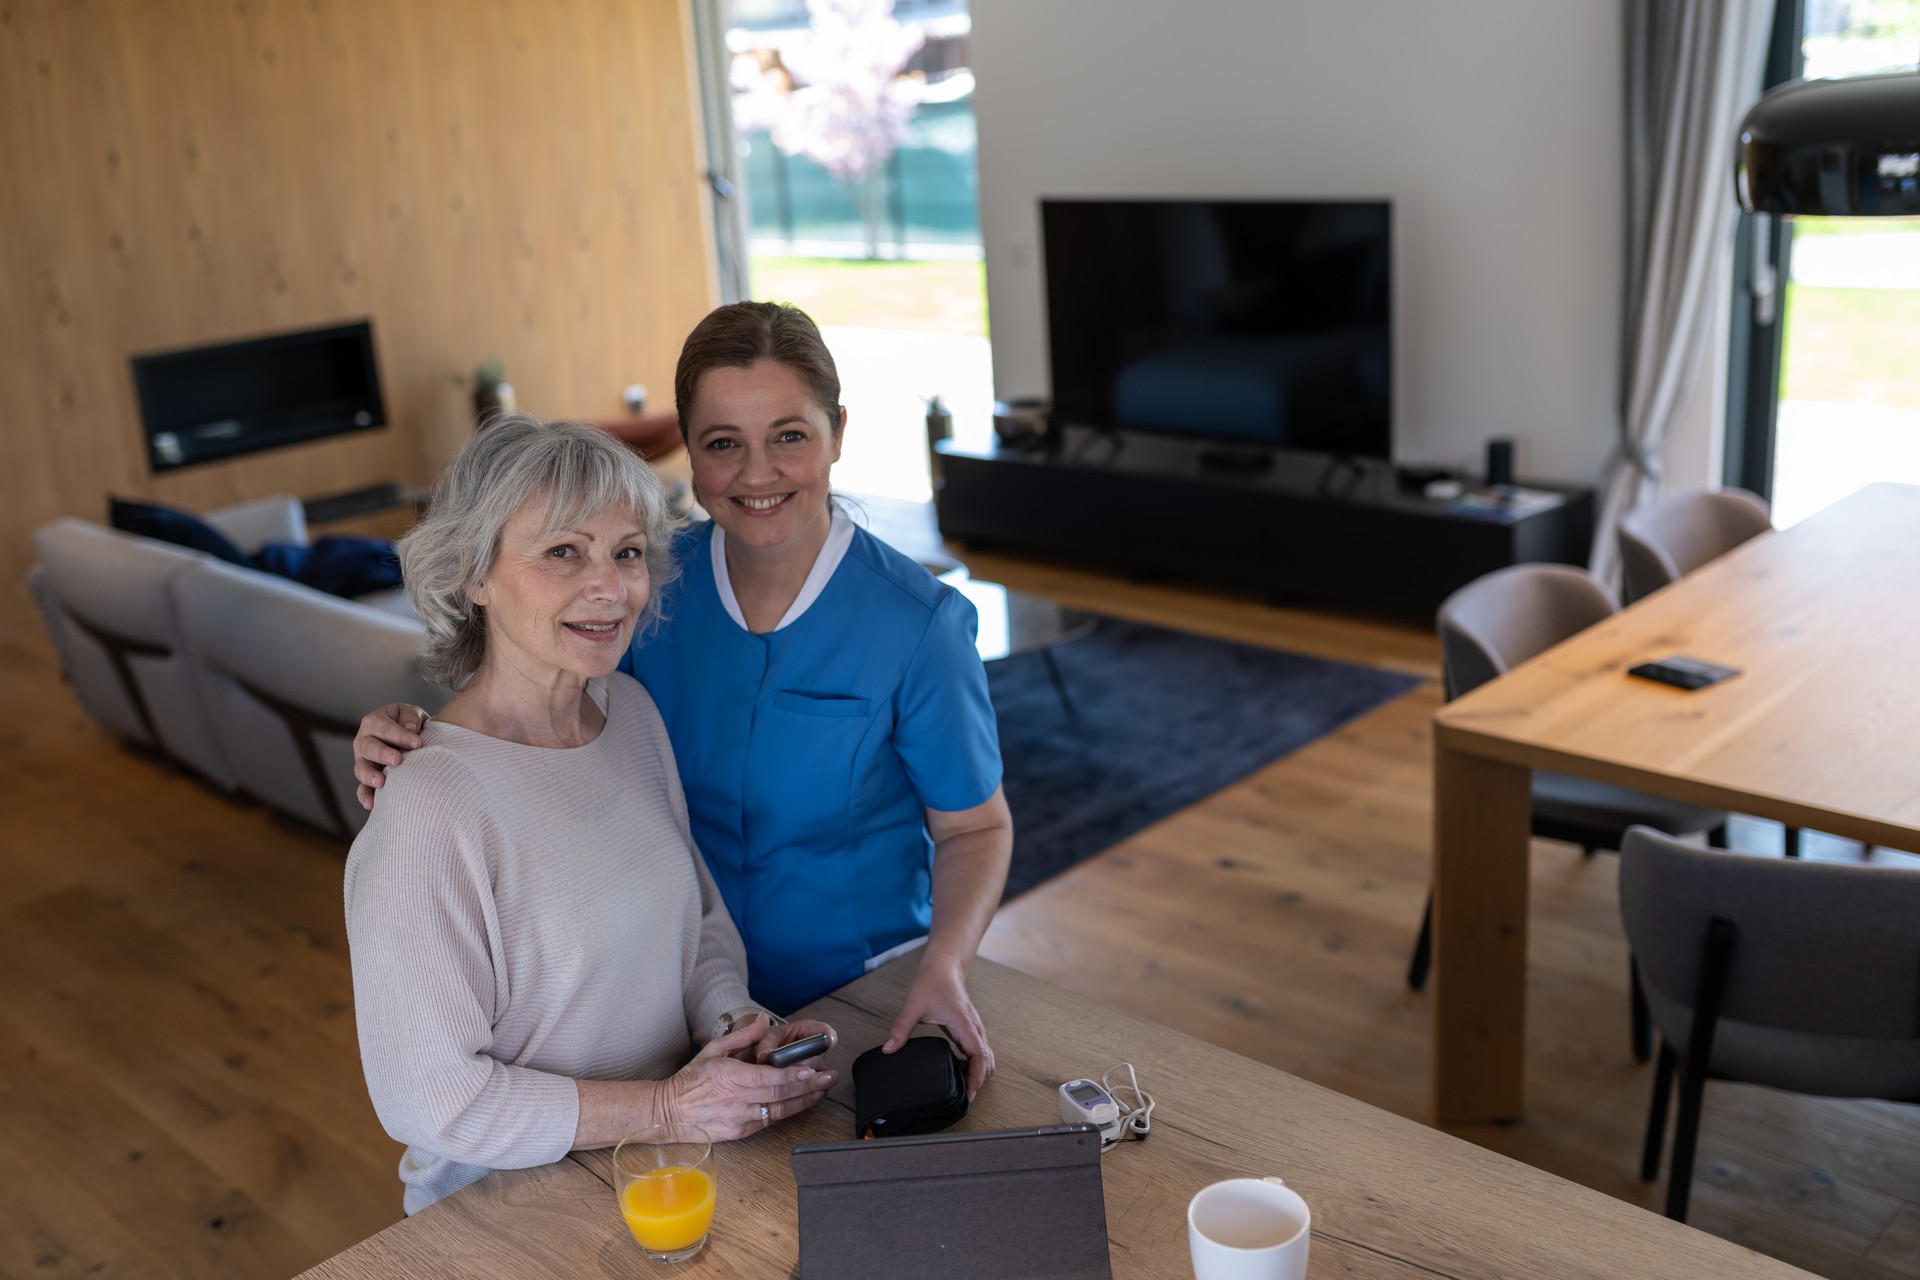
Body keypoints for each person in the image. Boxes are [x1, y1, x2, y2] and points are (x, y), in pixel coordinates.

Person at [355, 302, 1011, 1096]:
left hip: (855, 999)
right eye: (722, 443)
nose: (758, 473)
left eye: (790, 436)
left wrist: (945, 965)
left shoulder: (919, 624)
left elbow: (975, 825)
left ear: (837, 432)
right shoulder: (645, 582)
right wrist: (423, 741)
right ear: (690, 455)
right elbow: (536, 691)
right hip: (666, 1009)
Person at [345, 414, 835, 1217]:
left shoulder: (631, 714)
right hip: (506, 1210)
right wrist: (669, 1106)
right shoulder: (429, 804)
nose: (611, 588)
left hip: (665, 1166)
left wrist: (737, 1026)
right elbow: (429, 1100)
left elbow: (699, 924)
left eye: (628, 552)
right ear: (475, 574)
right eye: (564, 552)